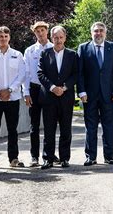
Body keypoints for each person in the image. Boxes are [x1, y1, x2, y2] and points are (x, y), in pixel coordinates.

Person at [77, 22, 113, 166]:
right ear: (91, 33)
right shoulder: (83, 48)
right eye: (96, 31)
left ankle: (109, 156)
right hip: (89, 95)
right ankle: (91, 157)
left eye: (101, 31)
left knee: (108, 126)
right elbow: (80, 73)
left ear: (105, 33)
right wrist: (81, 91)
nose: (98, 33)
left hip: (109, 94)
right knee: (90, 127)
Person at [38, 25, 78, 169]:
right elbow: (40, 73)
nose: (58, 40)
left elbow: (76, 74)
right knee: (49, 129)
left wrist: (65, 87)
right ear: (51, 38)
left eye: (61, 37)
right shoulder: (45, 54)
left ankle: (64, 158)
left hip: (66, 97)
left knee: (66, 129)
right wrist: (53, 88)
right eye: (56, 37)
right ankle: (48, 159)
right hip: (49, 97)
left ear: (65, 38)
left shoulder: (72, 55)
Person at [22, 21, 60, 167]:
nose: (40, 33)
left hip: (49, 89)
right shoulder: (30, 51)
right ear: (34, 33)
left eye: (43, 30)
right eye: (37, 31)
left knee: (50, 124)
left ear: (47, 31)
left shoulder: (54, 47)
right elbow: (25, 73)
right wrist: (26, 92)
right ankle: (34, 156)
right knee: (34, 125)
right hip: (34, 89)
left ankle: (49, 154)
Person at [0, 26, 26, 170]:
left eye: (5, 36)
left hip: (12, 97)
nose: (3, 38)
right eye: (0, 36)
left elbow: (22, 74)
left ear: (9, 37)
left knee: (12, 130)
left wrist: (10, 90)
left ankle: (13, 158)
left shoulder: (17, 54)